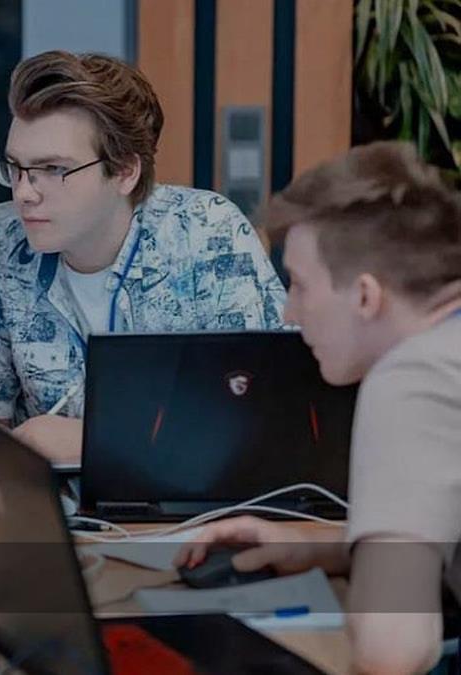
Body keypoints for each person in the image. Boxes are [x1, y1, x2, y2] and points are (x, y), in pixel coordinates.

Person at [175, 142, 461, 674]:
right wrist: (324, 551)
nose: (289, 311)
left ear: (366, 297)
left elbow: (392, 652)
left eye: (301, 286)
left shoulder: (414, 376)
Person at [0, 50, 286, 463]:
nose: (24, 193)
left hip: (187, 496)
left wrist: (88, 441)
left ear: (124, 172)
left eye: (54, 170)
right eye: (16, 168)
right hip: (46, 496)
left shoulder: (207, 233)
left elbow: (260, 418)